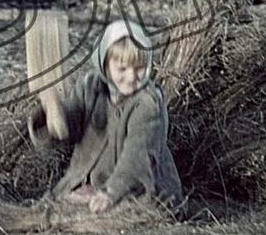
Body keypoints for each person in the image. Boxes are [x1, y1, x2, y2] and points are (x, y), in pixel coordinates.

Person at [29, 19, 183, 213]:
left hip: (134, 187)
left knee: (123, 211)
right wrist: (52, 114)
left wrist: (110, 192)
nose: (131, 77)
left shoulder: (146, 103)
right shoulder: (91, 86)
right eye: (122, 69)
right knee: (58, 203)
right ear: (105, 66)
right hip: (90, 181)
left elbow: (137, 156)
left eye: (139, 68)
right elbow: (71, 127)